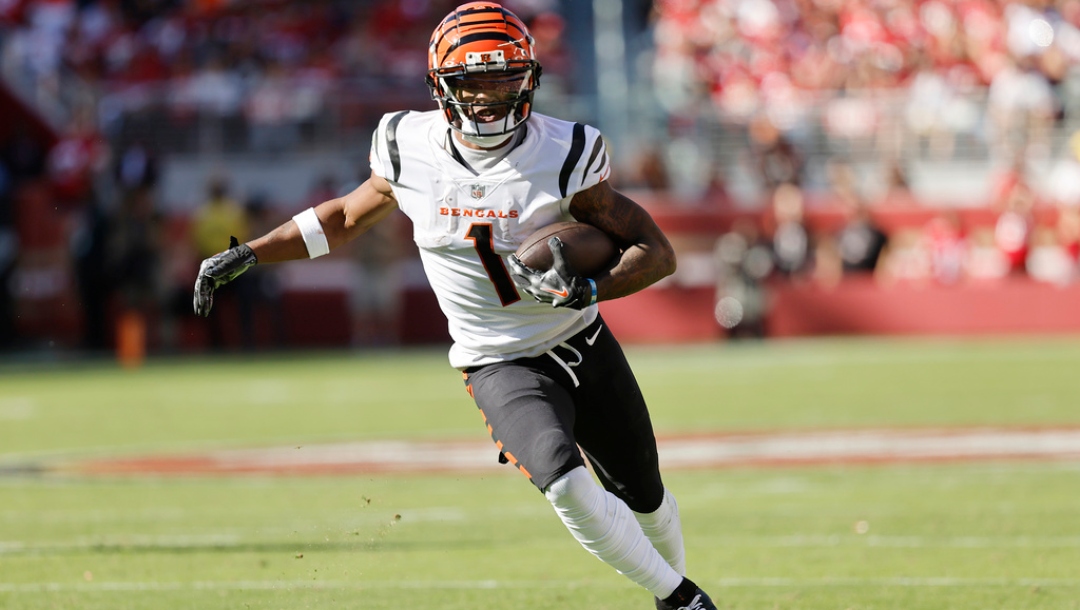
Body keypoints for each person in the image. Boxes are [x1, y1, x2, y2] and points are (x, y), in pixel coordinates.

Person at [192, 4, 716, 610]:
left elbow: (655, 251)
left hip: (583, 341)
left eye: (504, 81)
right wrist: (250, 253)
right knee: (567, 485)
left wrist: (592, 289)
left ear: (530, 79)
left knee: (646, 499)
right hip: (497, 361)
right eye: (475, 84)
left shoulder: (566, 150)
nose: (491, 100)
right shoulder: (405, 145)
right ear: (441, 87)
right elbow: (342, 218)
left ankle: (669, 595)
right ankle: (682, 600)